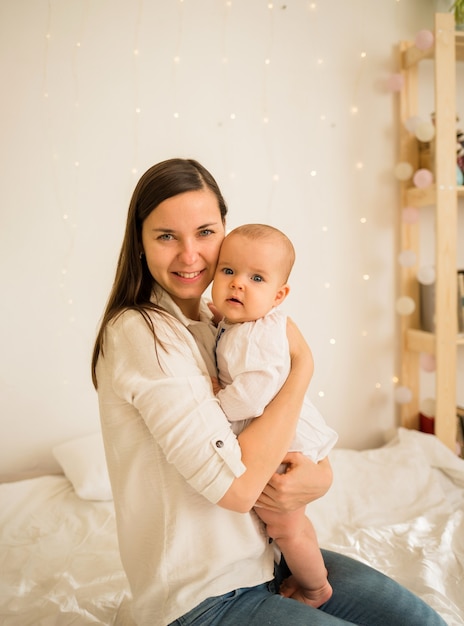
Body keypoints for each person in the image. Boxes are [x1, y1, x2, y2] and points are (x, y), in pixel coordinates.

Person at [91, 157, 447, 626]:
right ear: (138, 241)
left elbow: (285, 435)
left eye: (204, 232)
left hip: (267, 561)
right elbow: (238, 490)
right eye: (165, 236)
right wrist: (304, 368)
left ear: (225, 230)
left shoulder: (223, 321)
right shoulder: (141, 332)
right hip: (202, 595)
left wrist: (320, 477)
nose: (190, 255)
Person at [211, 223, 338, 608]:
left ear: (278, 295)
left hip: (286, 443)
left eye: (257, 278)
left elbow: (252, 397)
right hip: (279, 435)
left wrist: (217, 403)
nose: (238, 285)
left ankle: (316, 588)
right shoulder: (235, 323)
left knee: (285, 524)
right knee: (291, 521)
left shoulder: (260, 334)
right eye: (228, 271)